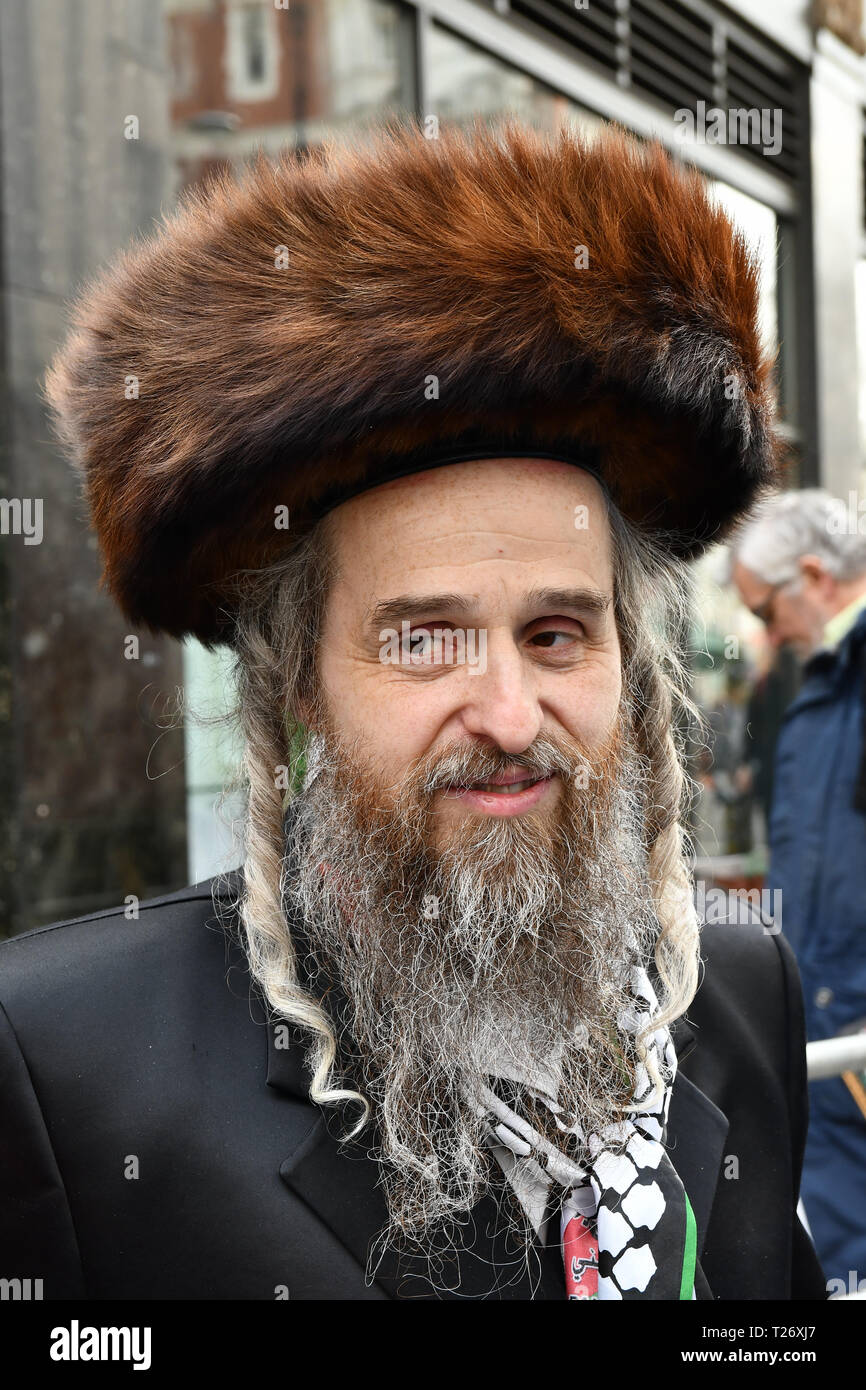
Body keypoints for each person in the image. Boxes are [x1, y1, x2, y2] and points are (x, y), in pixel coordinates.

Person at [0, 119, 824, 1301]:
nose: (504, 710)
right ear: (296, 690)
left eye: (554, 635)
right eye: (425, 640)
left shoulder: (739, 997)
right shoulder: (64, 1061)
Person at [731, 488, 866, 1286]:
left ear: (815, 577)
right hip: (829, 1037)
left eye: (765, 607)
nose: (764, 630)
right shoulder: (819, 688)